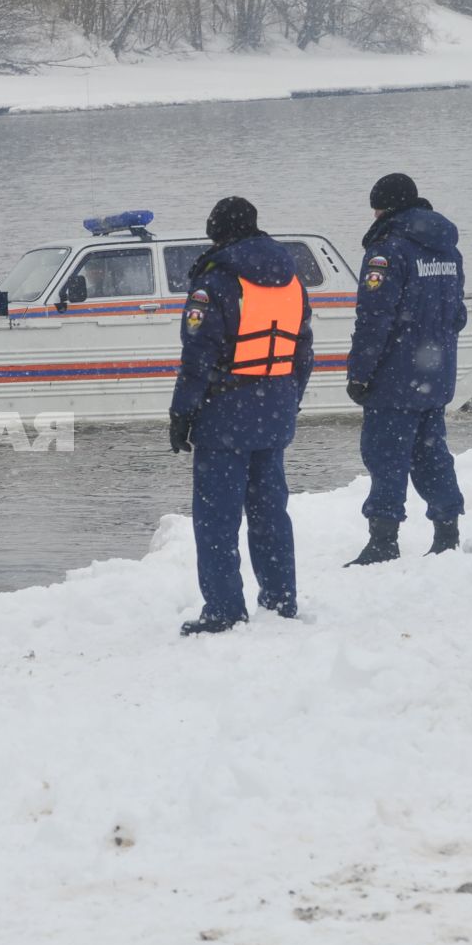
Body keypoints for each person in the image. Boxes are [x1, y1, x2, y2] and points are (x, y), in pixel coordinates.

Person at [168, 197, 314, 636]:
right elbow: (302, 351)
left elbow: (197, 358)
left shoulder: (215, 283)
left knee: (217, 520)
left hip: (225, 419)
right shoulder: (291, 281)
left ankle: (225, 611)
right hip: (274, 414)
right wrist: (289, 401)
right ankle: (281, 599)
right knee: (271, 514)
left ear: (217, 232)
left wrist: (182, 415)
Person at [344, 173, 468, 564]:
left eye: (376, 207)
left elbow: (374, 319)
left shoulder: (388, 251)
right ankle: (447, 533)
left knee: (385, 456)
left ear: (386, 207)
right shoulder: (447, 250)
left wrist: (360, 374)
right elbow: (458, 315)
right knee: (432, 453)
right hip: (436, 374)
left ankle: (383, 540)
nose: (375, 214)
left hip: (394, 377)